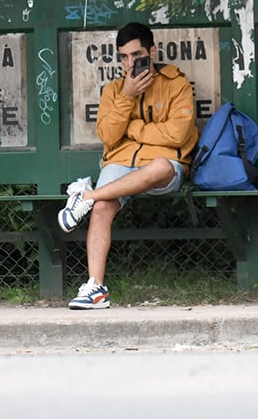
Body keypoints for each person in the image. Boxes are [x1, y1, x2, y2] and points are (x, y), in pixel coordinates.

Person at [58, 22, 198, 309]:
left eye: (137, 55)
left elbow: (178, 135)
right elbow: (108, 136)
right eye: (123, 57)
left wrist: (133, 129)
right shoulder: (114, 91)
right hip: (121, 162)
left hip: (163, 167)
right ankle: (95, 288)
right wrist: (127, 97)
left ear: (153, 51)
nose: (130, 63)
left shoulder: (177, 85)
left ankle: (85, 195)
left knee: (159, 166)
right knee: (102, 208)